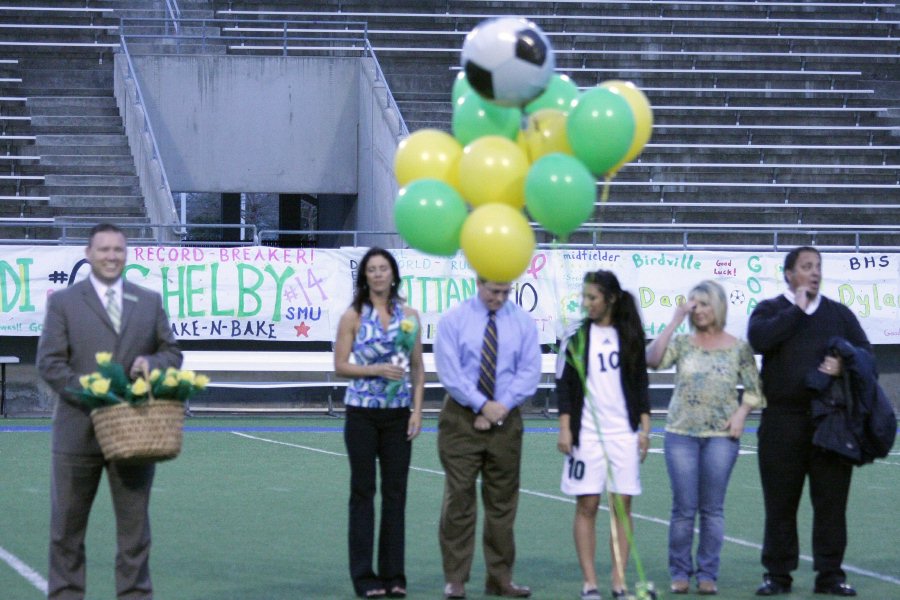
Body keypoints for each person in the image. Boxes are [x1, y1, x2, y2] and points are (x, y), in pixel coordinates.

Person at [36, 223, 183, 600]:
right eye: (103, 250)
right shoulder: (64, 302)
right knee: (66, 532)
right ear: (88, 254)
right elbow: (50, 364)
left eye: (118, 249)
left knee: (135, 535)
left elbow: (172, 353)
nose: (111, 256)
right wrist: (94, 394)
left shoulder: (148, 301)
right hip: (77, 433)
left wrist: (153, 362)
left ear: (126, 253)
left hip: (135, 433)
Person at [748, 246, 870, 597]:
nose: (814, 272)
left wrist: (845, 364)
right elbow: (760, 339)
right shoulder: (771, 309)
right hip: (781, 422)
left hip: (829, 423)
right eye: (806, 266)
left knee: (831, 504)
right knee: (780, 504)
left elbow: (866, 354)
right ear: (789, 274)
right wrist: (797, 310)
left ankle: (830, 575)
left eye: (818, 266)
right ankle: (778, 575)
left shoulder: (838, 314)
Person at [645, 280, 764, 595]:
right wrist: (673, 320)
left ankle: (708, 574)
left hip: (721, 437)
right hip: (681, 434)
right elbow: (652, 359)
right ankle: (680, 572)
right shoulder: (682, 343)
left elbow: (754, 390)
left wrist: (740, 415)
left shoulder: (738, 347)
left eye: (703, 303)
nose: (697, 310)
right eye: (693, 304)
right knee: (684, 508)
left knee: (712, 509)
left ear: (719, 307)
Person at [434, 277, 541, 599]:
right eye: (494, 291)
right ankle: (455, 578)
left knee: (502, 505)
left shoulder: (522, 321)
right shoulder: (454, 320)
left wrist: (501, 407)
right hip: (460, 419)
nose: (499, 298)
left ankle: (500, 578)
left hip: (506, 420)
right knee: (460, 500)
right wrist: (481, 405)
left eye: (506, 292)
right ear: (479, 282)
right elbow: (449, 372)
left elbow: (530, 371)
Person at [334, 247, 425, 599]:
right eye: (371, 269)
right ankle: (364, 577)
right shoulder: (353, 316)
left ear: (393, 274)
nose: (377, 274)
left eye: (383, 268)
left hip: (398, 415)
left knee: (395, 494)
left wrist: (417, 411)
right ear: (364, 277)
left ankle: (394, 576)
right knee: (362, 492)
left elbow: (417, 368)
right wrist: (375, 369)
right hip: (361, 413)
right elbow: (340, 365)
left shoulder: (409, 315)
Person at [556, 270, 652, 600]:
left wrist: (645, 428)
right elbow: (565, 385)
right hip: (587, 437)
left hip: (622, 433)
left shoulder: (629, 335)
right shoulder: (578, 336)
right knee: (587, 504)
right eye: (584, 297)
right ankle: (590, 584)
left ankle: (619, 582)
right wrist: (566, 427)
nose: (587, 303)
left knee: (622, 507)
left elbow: (640, 382)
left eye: (592, 297)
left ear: (609, 299)